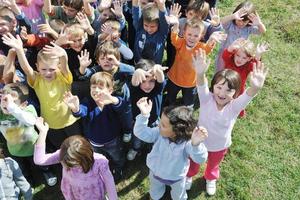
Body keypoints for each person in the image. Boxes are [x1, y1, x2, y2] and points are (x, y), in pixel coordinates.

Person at [186, 49, 268, 195]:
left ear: (236, 94)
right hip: (199, 141)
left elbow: (248, 95)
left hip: (219, 145)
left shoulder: (234, 106)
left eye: (229, 90)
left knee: (213, 164)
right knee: (193, 160)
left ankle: (210, 177)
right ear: (213, 87)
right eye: (219, 87)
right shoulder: (206, 99)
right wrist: (199, 73)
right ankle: (189, 175)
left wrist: (255, 88)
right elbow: (201, 84)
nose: (222, 93)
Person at [2, 33, 81, 150]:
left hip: (70, 120)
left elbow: (65, 66)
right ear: (37, 67)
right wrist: (19, 50)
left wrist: (63, 55)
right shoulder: (37, 80)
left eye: (52, 69)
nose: (48, 73)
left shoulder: (63, 77)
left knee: (78, 147)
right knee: (62, 149)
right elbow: (26, 69)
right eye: (43, 69)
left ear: (58, 67)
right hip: (51, 124)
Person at [134, 97, 208, 199]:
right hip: (156, 173)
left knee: (178, 194)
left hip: (176, 178)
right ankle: (155, 196)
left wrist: (196, 145)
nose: (159, 125)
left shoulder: (187, 144)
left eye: (163, 125)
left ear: (177, 131)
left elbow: (200, 159)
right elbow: (140, 132)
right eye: (160, 122)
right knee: (155, 189)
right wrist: (144, 115)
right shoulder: (158, 133)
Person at [33, 117, 118, 200]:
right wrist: (43, 132)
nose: (67, 165)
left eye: (72, 163)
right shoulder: (63, 154)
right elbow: (39, 160)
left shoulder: (99, 161)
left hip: (95, 195)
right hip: (73, 193)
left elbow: (109, 183)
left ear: (84, 155)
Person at [63, 72, 126, 181]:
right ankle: (103, 168)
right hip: (94, 142)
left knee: (117, 156)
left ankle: (119, 167)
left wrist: (112, 99)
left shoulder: (111, 102)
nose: (96, 90)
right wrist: (75, 108)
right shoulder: (88, 102)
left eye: (100, 87)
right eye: (94, 87)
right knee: (99, 158)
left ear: (110, 91)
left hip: (113, 140)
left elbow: (121, 105)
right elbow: (81, 111)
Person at [165, 6, 226, 107]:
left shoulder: (201, 47)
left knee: (188, 103)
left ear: (201, 36)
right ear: (184, 33)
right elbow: (174, 37)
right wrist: (176, 24)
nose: (192, 38)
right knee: (170, 98)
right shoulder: (180, 43)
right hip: (174, 78)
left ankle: (187, 112)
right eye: (189, 34)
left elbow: (208, 48)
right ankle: (169, 106)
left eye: (196, 36)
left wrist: (211, 39)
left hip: (191, 82)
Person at [127, 59, 167, 160]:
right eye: (143, 81)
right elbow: (134, 82)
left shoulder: (157, 89)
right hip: (138, 123)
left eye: (151, 81)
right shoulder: (134, 90)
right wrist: (137, 73)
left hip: (154, 122)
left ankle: (153, 149)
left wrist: (158, 70)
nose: (147, 85)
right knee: (137, 139)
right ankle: (136, 149)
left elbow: (161, 80)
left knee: (155, 140)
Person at [222, 38, 269, 117]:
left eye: (244, 58)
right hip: (225, 85)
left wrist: (258, 54)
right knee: (223, 98)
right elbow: (225, 55)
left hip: (238, 90)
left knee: (238, 102)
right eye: (238, 55)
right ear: (234, 53)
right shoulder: (229, 60)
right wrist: (231, 47)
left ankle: (239, 112)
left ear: (249, 59)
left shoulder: (247, 66)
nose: (239, 59)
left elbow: (256, 66)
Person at [215, 1, 266, 71]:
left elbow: (262, 31)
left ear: (249, 21)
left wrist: (259, 24)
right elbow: (219, 23)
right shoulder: (230, 24)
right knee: (220, 72)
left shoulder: (249, 28)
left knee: (233, 75)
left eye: (244, 22)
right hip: (225, 53)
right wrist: (232, 16)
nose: (241, 23)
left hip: (240, 56)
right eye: (239, 20)